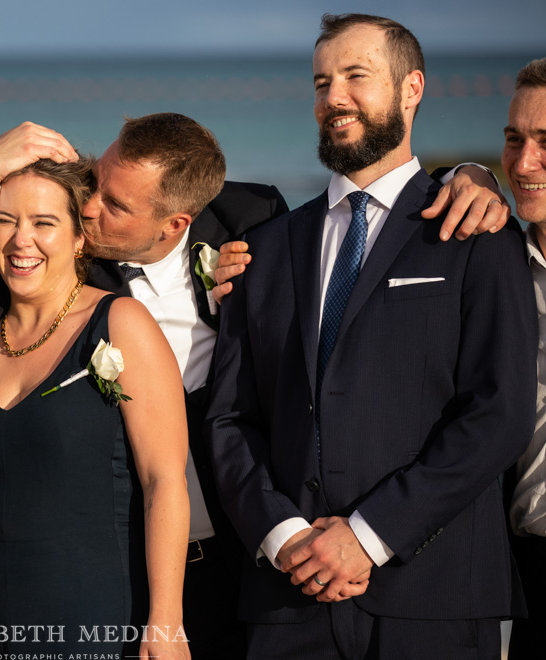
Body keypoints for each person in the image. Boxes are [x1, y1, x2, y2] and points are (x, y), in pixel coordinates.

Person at [0, 110, 507, 656]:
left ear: (175, 223)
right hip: (121, 564)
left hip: (243, 561)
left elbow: (357, 221)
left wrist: (466, 175)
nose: (88, 209)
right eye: (95, 187)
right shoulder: (75, 264)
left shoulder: (253, 220)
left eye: (115, 204)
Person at [208, 14, 536, 659]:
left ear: (411, 88)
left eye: (357, 77)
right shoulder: (265, 252)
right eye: (322, 82)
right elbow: (231, 418)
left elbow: (498, 414)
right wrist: (282, 536)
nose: (334, 98)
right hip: (287, 598)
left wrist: (367, 534)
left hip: (433, 596)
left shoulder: (477, 236)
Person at [0, 157, 190, 659]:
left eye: (43, 223)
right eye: (7, 221)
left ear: (80, 238)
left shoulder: (122, 323)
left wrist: (166, 621)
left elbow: (163, 482)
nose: (20, 240)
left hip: (99, 625)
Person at [502, 57, 546, 659]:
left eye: (545, 143)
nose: (523, 163)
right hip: (529, 568)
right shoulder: (497, 266)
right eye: (514, 140)